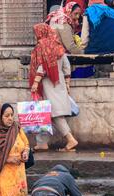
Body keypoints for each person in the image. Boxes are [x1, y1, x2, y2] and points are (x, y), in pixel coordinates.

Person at [29, 23, 79, 152]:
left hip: (47, 84)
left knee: (55, 114)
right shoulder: (58, 46)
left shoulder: (42, 46)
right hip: (59, 83)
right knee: (45, 114)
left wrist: (35, 82)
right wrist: (67, 83)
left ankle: (70, 139)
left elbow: (42, 66)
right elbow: (66, 66)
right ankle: (42, 143)